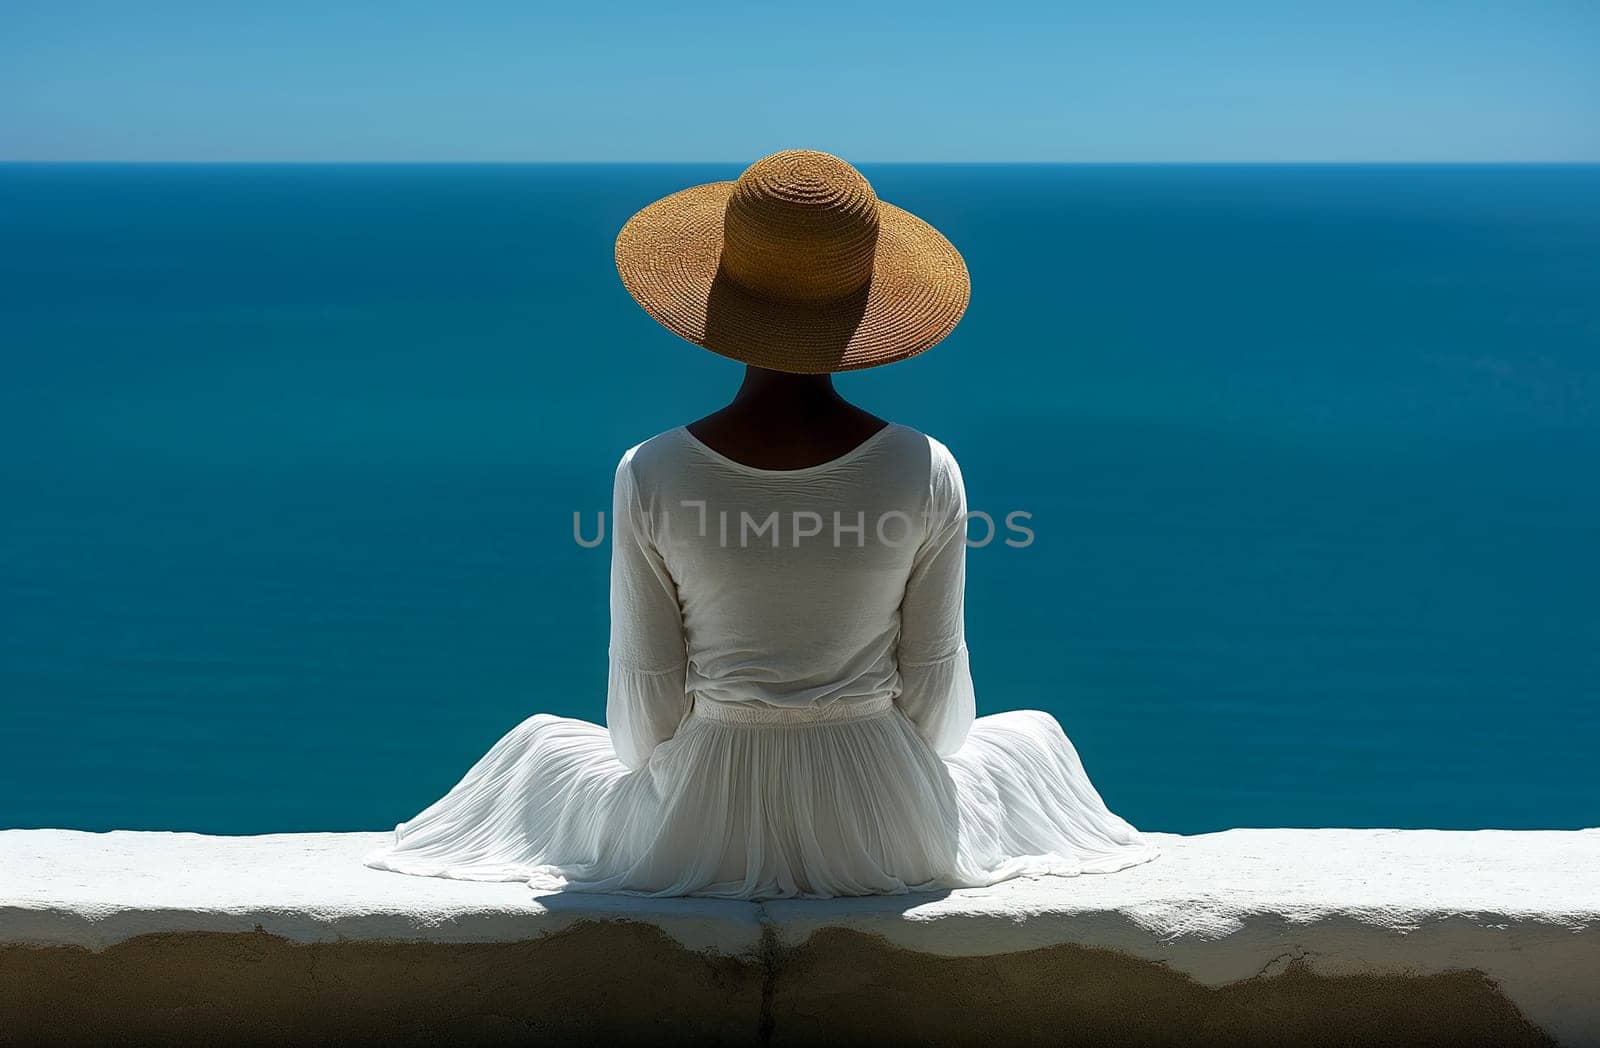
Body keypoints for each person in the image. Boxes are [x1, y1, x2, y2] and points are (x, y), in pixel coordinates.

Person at [365, 150, 1157, 898]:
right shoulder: (925, 467)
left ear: (722, 295)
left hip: (701, 818)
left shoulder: (651, 471)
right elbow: (938, 699)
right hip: (883, 823)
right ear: (863, 300)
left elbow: (644, 715)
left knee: (538, 749)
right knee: (1032, 741)